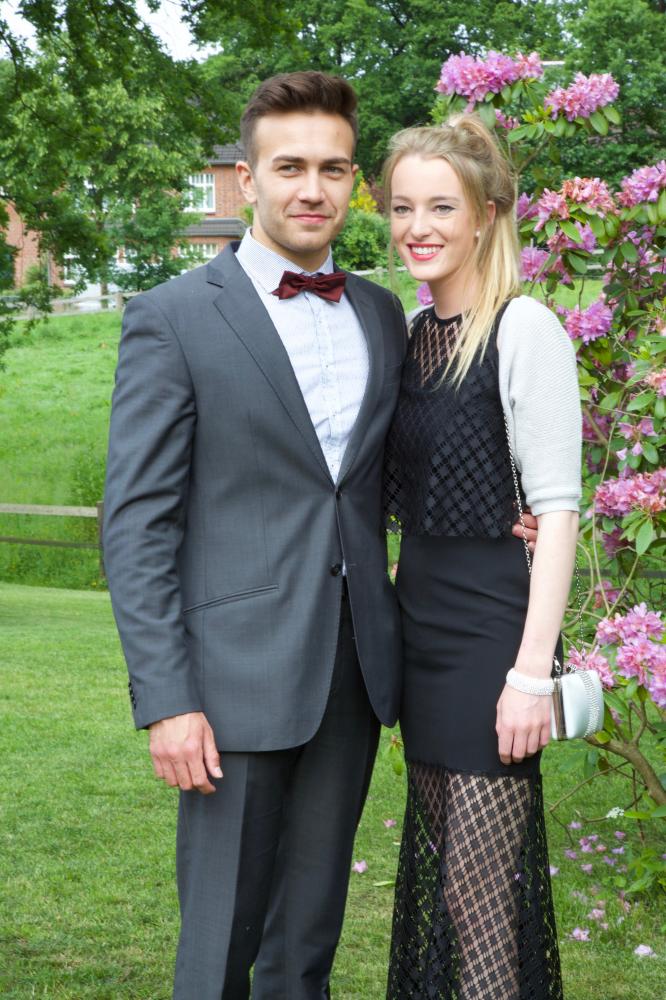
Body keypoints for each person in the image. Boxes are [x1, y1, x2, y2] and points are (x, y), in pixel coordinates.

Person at [103, 71, 408, 1000]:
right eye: (290, 167)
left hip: (353, 673)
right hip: (228, 687)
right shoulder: (172, 316)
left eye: (333, 169)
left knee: (305, 948)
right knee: (218, 953)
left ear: (353, 182)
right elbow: (138, 523)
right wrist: (167, 698)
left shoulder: (381, 314)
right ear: (247, 178)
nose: (313, 188)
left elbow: (378, 481)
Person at [382, 116, 581, 999]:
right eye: (401, 207)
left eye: (440, 207)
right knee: (454, 891)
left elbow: (559, 511)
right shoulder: (409, 335)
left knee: (479, 898)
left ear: (486, 215)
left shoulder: (523, 327)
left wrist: (531, 675)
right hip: (419, 630)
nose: (417, 227)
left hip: (492, 639)